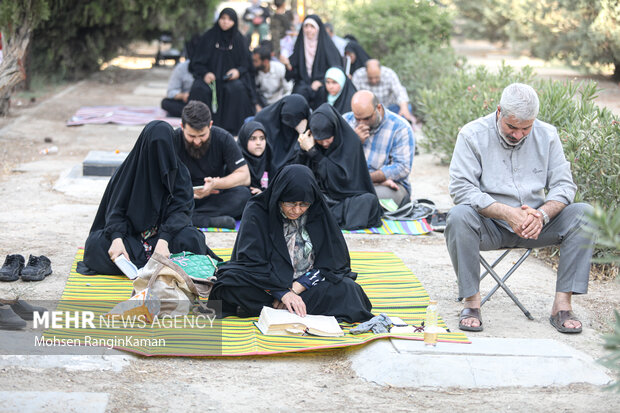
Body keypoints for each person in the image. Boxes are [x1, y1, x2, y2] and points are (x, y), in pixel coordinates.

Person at [445, 83, 594, 334]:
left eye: (526, 128)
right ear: (499, 111)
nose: (518, 134)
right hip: (490, 225)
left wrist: (543, 214)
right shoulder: (472, 134)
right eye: (511, 127)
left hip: (537, 225)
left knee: (584, 214)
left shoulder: (548, 135)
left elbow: (564, 185)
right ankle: (472, 303)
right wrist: (506, 212)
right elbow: (461, 188)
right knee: (458, 216)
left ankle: (562, 305)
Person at [207, 164, 374, 323]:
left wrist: (296, 289)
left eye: (303, 204)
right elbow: (251, 262)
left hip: (306, 287)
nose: (296, 210)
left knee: (349, 290)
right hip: (265, 284)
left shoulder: (318, 212)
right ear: (280, 197)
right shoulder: (257, 211)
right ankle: (291, 307)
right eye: (290, 203)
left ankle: (281, 309)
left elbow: (332, 264)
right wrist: (281, 293)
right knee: (228, 283)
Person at [80, 121, 215, 276]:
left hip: (166, 238)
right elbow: (115, 211)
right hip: (131, 238)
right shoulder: (128, 173)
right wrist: (117, 239)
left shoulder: (179, 173)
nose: (160, 158)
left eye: (164, 150)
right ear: (145, 147)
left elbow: (181, 212)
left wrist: (164, 240)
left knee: (192, 239)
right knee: (95, 245)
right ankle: (159, 264)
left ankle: (148, 261)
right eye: (155, 150)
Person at [298, 103, 382, 230]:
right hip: (319, 199)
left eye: (328, 138)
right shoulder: (308, 143)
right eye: (320, 139)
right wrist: (304, 150)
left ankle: (323, 218)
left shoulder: (351, 142)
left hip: (345, 200)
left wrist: (314, 152)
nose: (325, 143)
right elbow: (298, 173)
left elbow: (340, 180)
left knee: (369, 201)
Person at [174, 101, 251, 229]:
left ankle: (191, 218)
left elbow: (244, 176)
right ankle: (206, 220)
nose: (197, 141)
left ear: (210, 125)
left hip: (213, 196)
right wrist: (183, 191)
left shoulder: (223, 138)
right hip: (182, 197)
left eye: (202, 135)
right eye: (191, 136)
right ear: (182, 126)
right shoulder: (173, 139)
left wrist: (215, 184)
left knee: (243, 195)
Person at [188, 8, 256, 135]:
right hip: (210, 79)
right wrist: (205, 73)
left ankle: (232, 130)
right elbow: (196, 62)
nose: (225, 22)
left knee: (237, 89)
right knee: (199, 89)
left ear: (235, 22)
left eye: (229, 20)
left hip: (230, 80)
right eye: (223, 18)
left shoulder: (239, 39)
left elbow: (246, 64)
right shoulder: (208, 37)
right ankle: (198, 126)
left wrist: (238, 71)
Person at [344, 90, 415, 207]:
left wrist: (369, 179)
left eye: (366, 118)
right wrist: (354, 143)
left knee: (365, 201)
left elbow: (402, 168)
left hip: (388, 186)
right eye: (357, 118)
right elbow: (335, 159)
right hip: (352, 183)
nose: (361, 123)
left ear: (379, 108)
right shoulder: (346, 121)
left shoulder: (400, 127)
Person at [282, 15, 342, 110]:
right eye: (306, 26)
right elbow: (292, 74)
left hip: (323, 84)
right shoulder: (300, 46)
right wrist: (288, 65)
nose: (308, 30)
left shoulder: (327, 46)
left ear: (318, 29)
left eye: (312, 27)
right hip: (304, 84)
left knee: (322, 92)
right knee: (298, 94)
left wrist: (321, 81)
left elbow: (336, 69)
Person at [254, 93, 310, 174]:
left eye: (294, 121)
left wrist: (303, 133)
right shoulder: (262, 120)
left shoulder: (309, 125)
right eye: (286, 118)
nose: (289, 124)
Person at [352, 59, 417, 124]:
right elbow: (354, 96)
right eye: (370, 78)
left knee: (406, 107)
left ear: (380, 70)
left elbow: (400, 91)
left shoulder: (389, 74)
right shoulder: (358, 75)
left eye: (376, 77)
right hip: (368, 111)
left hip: (388, 108)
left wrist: (404, 108)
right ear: (365, 71)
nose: (374, 80)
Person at [237, 120, 270, 195]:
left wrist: (263, 194)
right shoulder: (237, 162)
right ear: (244, 141)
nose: (258, 143)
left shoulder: (269, 159)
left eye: (262, 138)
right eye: (253, 138)